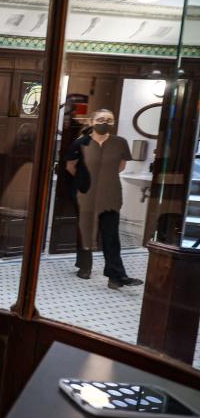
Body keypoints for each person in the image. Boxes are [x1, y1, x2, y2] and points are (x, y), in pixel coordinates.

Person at [65, 109, 143, 290]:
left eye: (109, 119)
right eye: (100, 119)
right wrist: (86, 180)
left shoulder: (120, 143)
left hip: (110, 194)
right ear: (91, 122)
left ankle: (116, 276)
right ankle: (84, 267)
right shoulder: (80, 143)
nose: (105, 122)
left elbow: (121, 165)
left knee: (111, 235)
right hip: (85, 194)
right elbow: (70, 167)